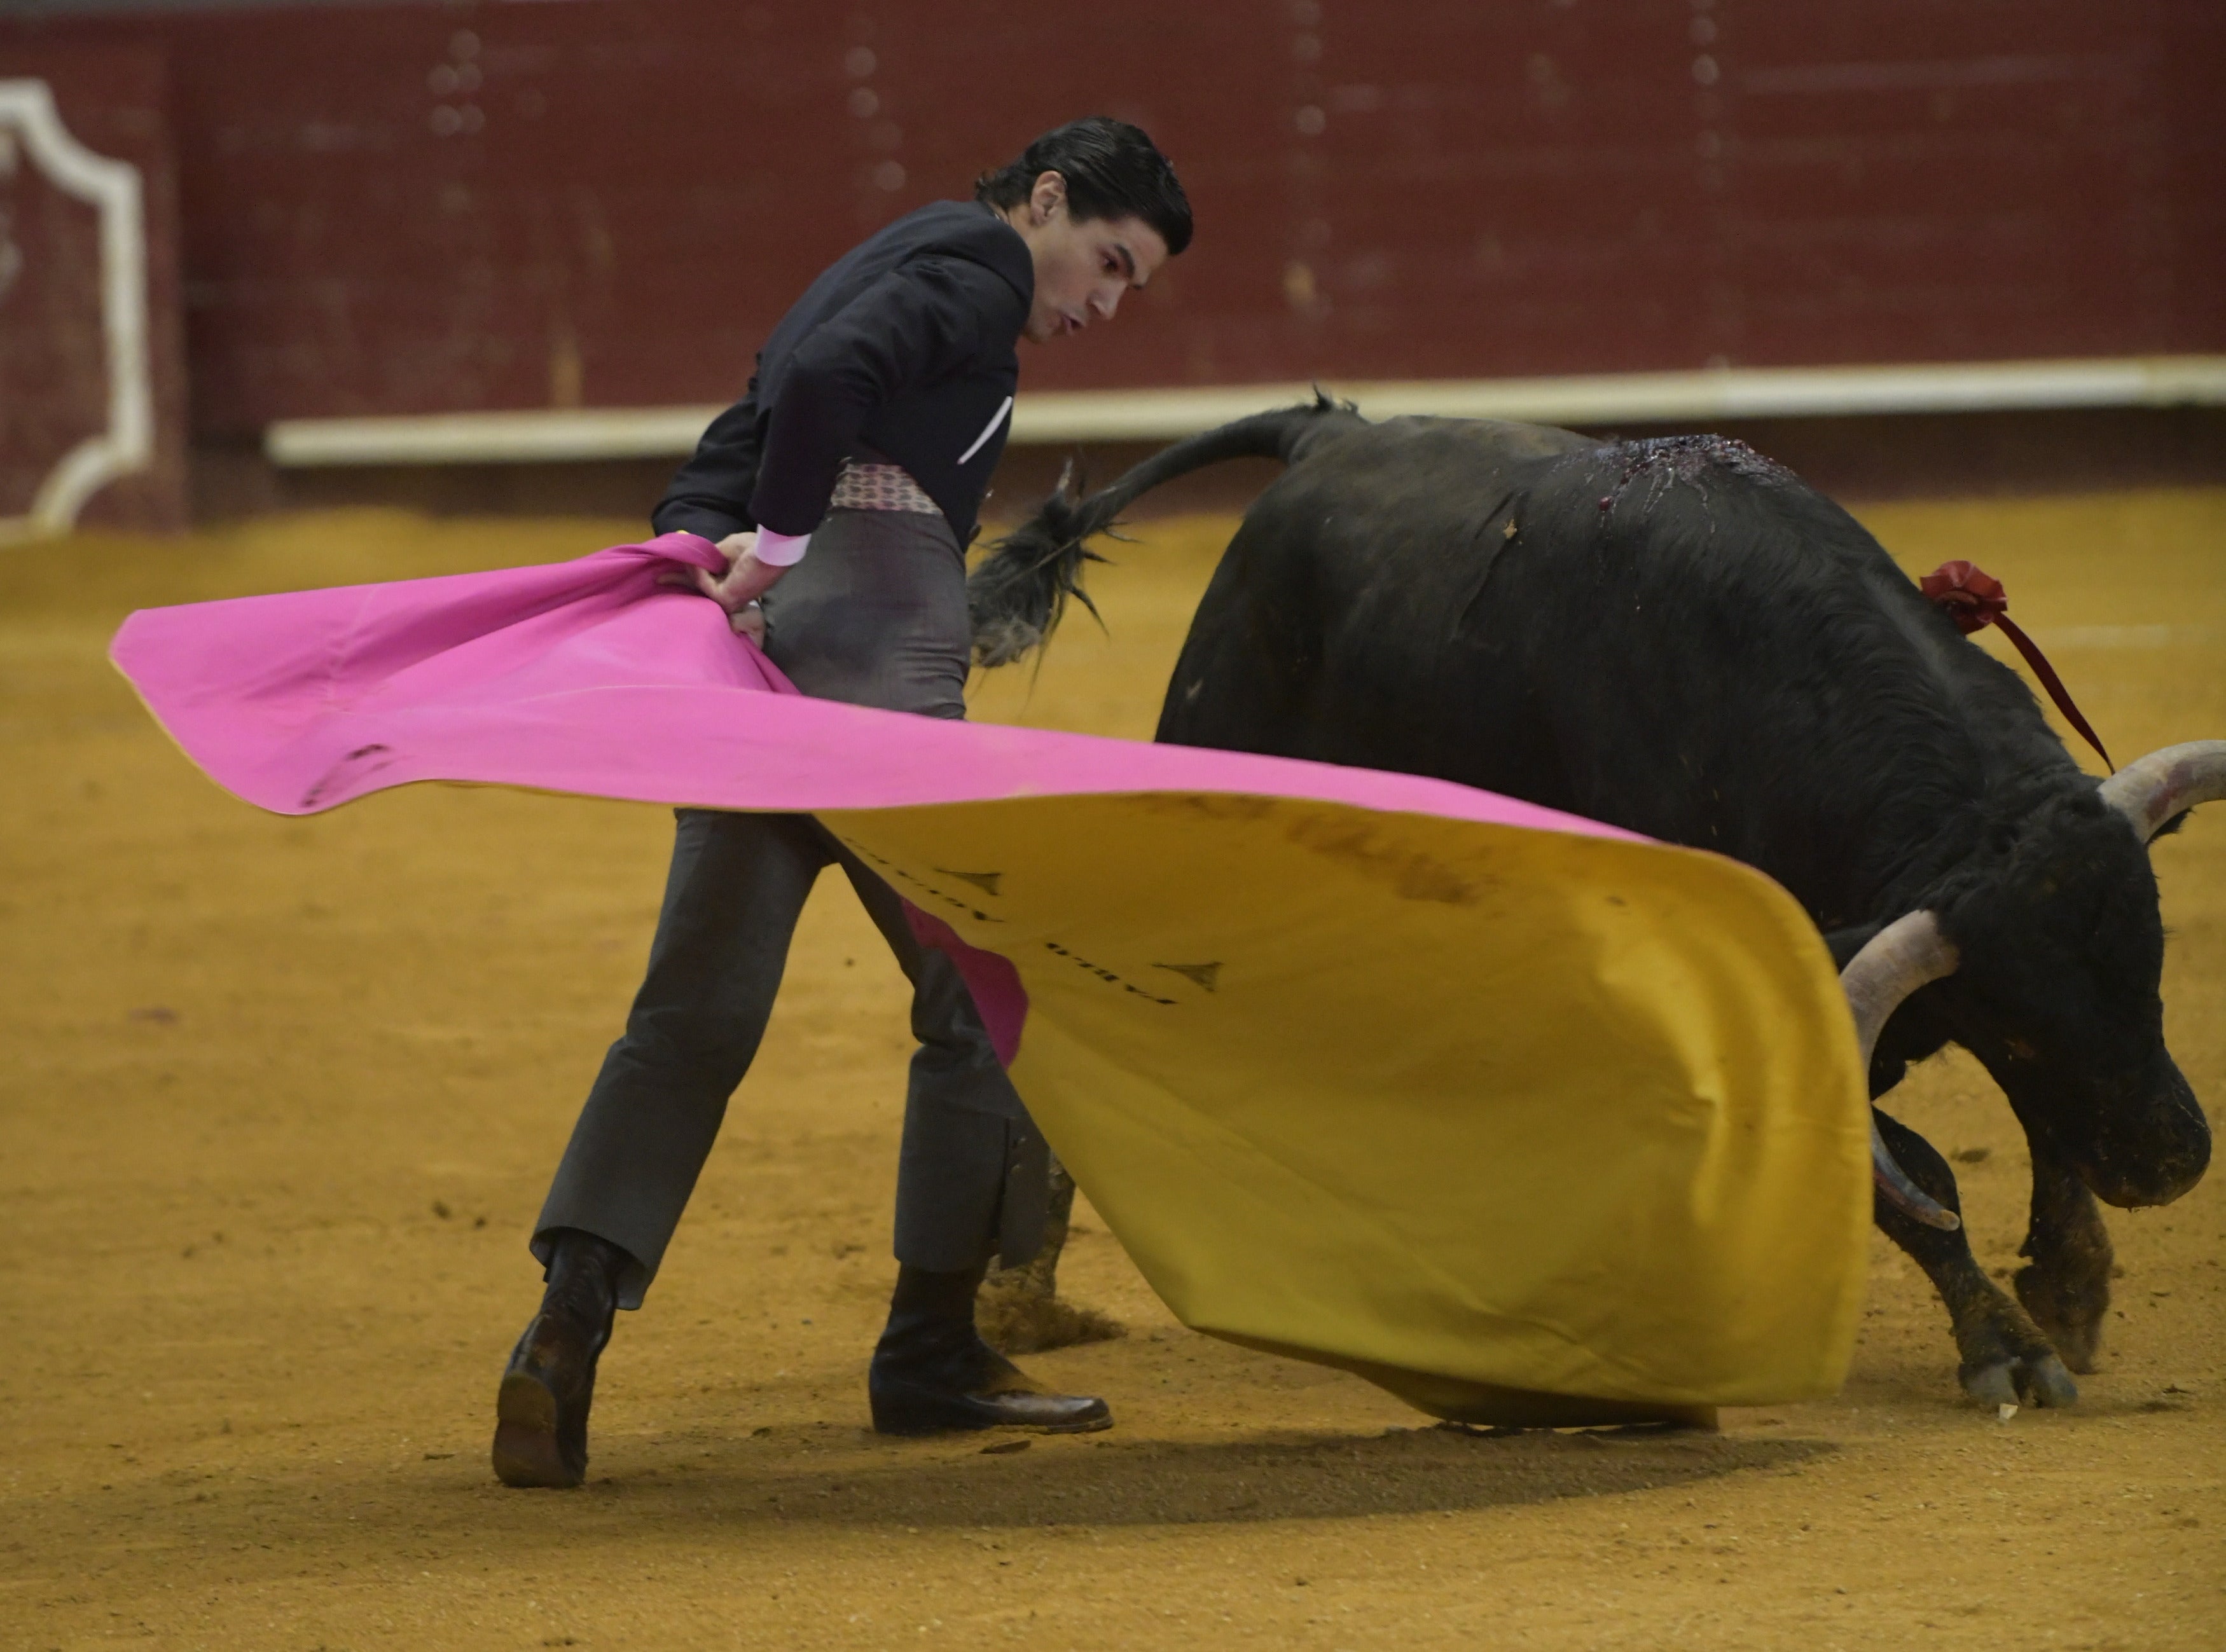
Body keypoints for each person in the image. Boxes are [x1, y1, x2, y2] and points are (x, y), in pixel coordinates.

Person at [492, 118, 1192, 1489]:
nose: (1105, 303)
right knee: (986, 983)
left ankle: (562, 1334)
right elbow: (825, 379)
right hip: (877, 651)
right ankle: (929, 1351)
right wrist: (807, 543)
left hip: (764, 664)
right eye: (1108, 261)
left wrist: (720, 556)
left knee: (691, 1014)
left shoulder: (874, 263)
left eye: (1132, 286)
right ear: (1043, 202)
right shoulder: (982, 269)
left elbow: (752, 422)